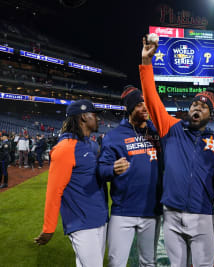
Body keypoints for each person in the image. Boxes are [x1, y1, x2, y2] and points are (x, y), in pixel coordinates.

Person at [140, 37, 214, 267]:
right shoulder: (171, 128)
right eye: (194, 105)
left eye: (204, 107)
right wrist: (146, 62)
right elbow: (151, 99)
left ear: (211, 115)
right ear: (189, 109)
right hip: (171, 212)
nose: (197, 107)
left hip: (202, 215)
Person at [34, 99, 109, 267]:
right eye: (94, 115)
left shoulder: (91, 145)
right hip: (81, 221)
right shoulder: (65, 148)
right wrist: (48, 228)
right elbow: (54, 191)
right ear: (83, 117)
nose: (98, 119)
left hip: (99, 217)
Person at [98, 86, 162, 267]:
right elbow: (101, 169)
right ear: (129, 108)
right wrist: (112, 169)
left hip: (151, 211)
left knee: (149, 262)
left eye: (146, 104)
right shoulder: (114, 136)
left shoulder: (157, 132)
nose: (145, 108)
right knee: (116, 262)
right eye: (139, 105)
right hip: (123, 211)